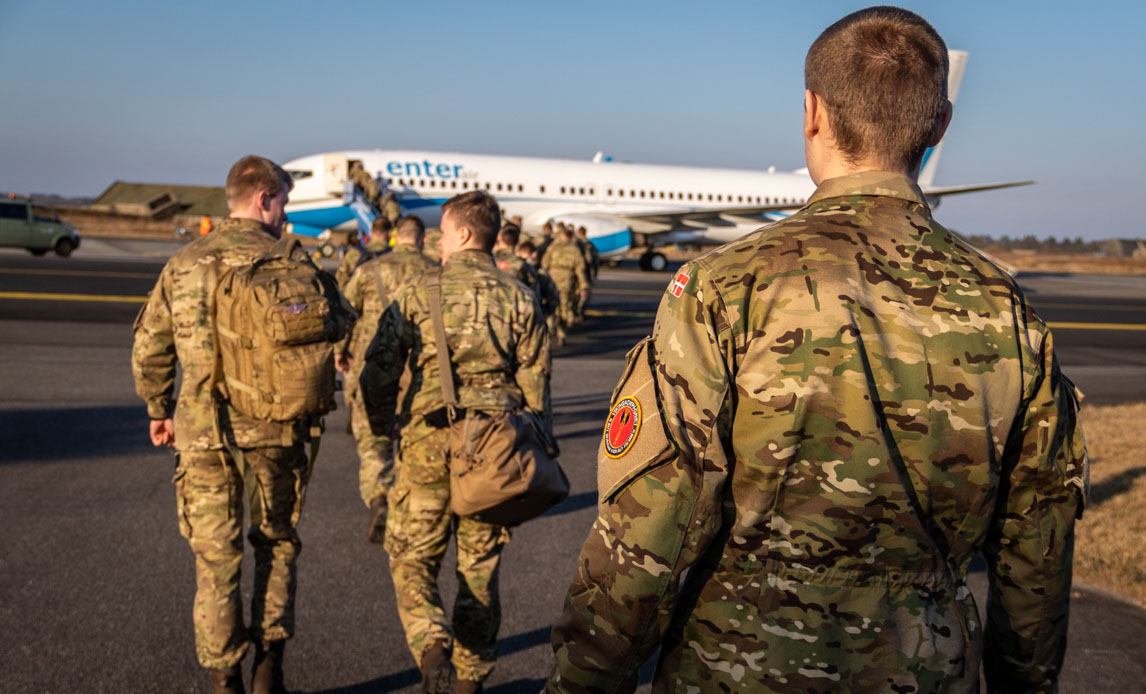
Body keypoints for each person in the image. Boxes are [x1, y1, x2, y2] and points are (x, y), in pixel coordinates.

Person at [547, 7, 1088, 694]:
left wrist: (584, 680)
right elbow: (1036, 548)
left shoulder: (723, 286)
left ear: (812, 114)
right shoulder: (1008, 310)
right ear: (940, 126)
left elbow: (649, 525)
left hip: (736, 667)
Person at [132, 155, 353, 694]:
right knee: (276, 543)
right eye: (284, 202)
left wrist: (159, 410)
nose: (285, 215)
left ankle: (223, 676)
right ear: (264, 199)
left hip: (203, 435)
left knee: (216, 555)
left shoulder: (184, 263)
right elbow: (342, 325)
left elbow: (150, 346)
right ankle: (269, 669)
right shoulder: (289, 261)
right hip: (277, 433)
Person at [361, 190, 551, 694]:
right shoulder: (520, 296)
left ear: (463, 234)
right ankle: (469, 682)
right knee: (480, 570)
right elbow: (536, 387)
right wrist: (529, 446)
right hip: (493, 451)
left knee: (411, 558)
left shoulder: (420, 291)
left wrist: (383, 430)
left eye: (442, 233)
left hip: (427, 443)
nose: (437, 242)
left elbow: (377, 374)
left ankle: (431, 647)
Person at [336, 215, 435, 541]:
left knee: (374, 443)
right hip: (420, 371)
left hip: (372, 367)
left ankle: (379, 497)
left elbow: (344, 314)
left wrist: (340, 350)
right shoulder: (437, 273)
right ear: (422, 239)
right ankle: (410, 507)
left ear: (395, 237)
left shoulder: (369, 270)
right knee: (415, 441)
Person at [540, 225, 589, 343]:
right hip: (567, 282)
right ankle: (561, 333)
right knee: (564, 306)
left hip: (552, 280)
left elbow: (544, 265)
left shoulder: (553, 248)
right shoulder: (574, 250)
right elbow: (580, 269)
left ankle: (550, 325)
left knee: (551, 305)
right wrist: (583, 286)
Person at [515, 240, 560, 343]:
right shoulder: (540, 272)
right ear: (534, 254)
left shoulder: (509, 269)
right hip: (534, 316)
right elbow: (553, 297)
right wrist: (545, 313)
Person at [337, 216, 392, 288]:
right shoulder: (394, 254)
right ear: (390, 233)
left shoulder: (354, 253)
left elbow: (341, 280)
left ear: (371, 232)